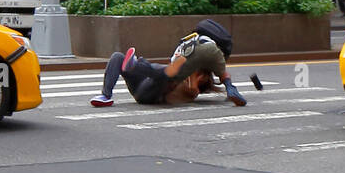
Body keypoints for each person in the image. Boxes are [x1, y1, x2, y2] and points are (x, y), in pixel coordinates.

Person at [90, 36, 248, 107]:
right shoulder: (188, 65)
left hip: (153, 94)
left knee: (165, 71)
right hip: (142, 84)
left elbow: (192, 91)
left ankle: (138, 64)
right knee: (118, 57)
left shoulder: (203, 78)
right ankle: (106, 96)